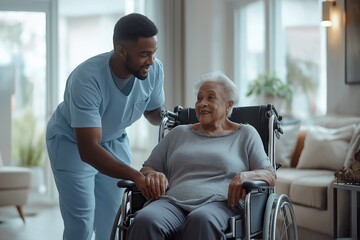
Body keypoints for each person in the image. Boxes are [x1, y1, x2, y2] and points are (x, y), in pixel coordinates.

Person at [46, 13, 165, 240]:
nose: (151, 60)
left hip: (114, 139)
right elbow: (89, 149)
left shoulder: (154, 69)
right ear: (121, 50)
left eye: (153, 52)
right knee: (82, 221)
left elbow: (153, 112)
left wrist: (180, 118)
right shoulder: (87, 78)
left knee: (112, 217)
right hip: (72, 143)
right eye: (144, 54)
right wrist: (137, 176)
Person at [125, 71, 276, 240]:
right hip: (173, 202)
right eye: (199, 98)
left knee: (201, 220)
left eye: (211, 98)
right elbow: (147, 168)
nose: (202, 103)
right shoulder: (178, 133)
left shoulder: (246, 134)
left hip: (221, 204)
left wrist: (244, 176)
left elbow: (269, 174)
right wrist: (153, 175)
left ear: (228, 104)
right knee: (145, 220)